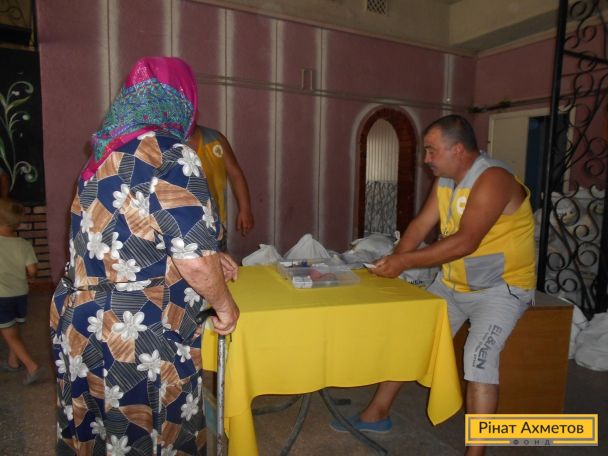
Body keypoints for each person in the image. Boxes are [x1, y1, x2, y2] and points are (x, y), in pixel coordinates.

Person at [51, 57, 240, 455]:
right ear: (183, 101)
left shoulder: (102, 156)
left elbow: (125, 236)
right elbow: (193, 261)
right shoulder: (170, 152)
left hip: (82, 320)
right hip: (138, 331)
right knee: (149, 433)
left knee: (101, 430)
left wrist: (209, 254)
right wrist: (224, 305)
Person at [332, 115, 536, 456]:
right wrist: (393, 261)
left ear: (458, 150)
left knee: (478, 359)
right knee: (411, 340)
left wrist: (404, 263)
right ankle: (376, 414)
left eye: (431, 150)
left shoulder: (494, 178)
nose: (426, 159)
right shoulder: (446, 181)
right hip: (453, 283)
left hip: (501, 289)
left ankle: (476, 453)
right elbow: (421, 224)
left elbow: (466, 242)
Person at [189, 125, 254, 251]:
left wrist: (245, 209)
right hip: (182, 224)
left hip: (215, 221)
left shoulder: (215, 139)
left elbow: (235, 174)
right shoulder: (166, 142)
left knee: (221, 260)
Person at [0, 198, 43, 384]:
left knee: (9, 334)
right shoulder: (24, 244)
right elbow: (32, 270)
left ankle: (32, 366)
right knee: (14, 329)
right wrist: (30, 277)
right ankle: (13, 362)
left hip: (2, 297)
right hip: (21, 295)